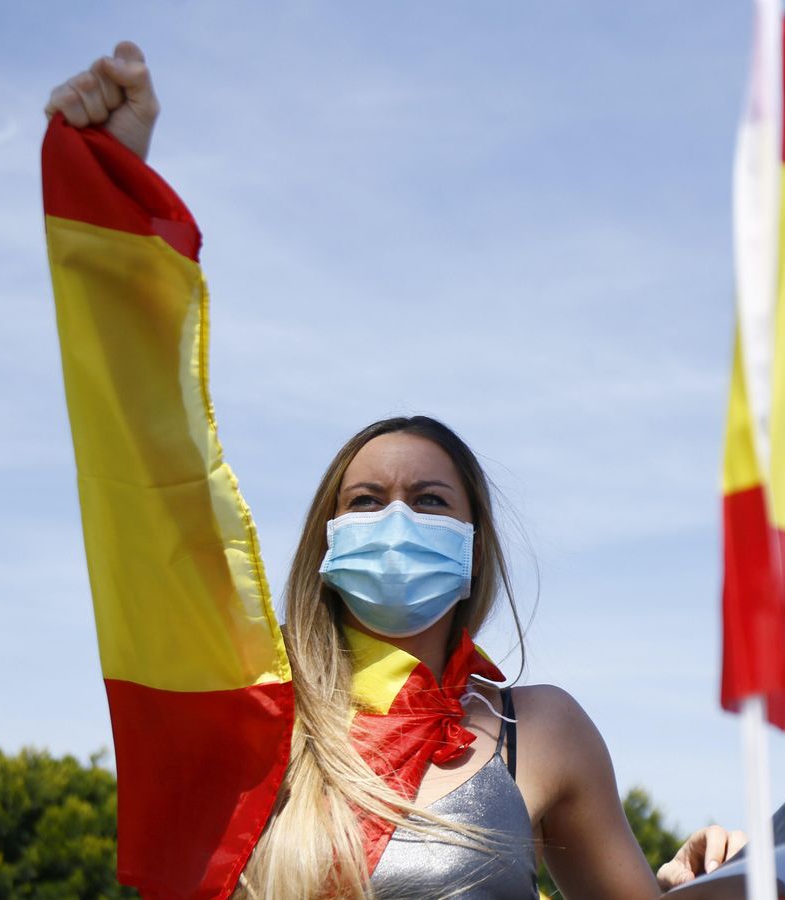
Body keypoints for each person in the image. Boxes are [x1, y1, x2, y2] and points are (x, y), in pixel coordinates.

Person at [44, 43, 745, 898]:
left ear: (472, 545)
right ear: (329, 539)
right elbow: (150, 453)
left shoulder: (544, 730)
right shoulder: (258, 719)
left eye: (429, 500)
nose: (397, 519)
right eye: (367, 499)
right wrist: (116, 184)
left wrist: (692, 883)